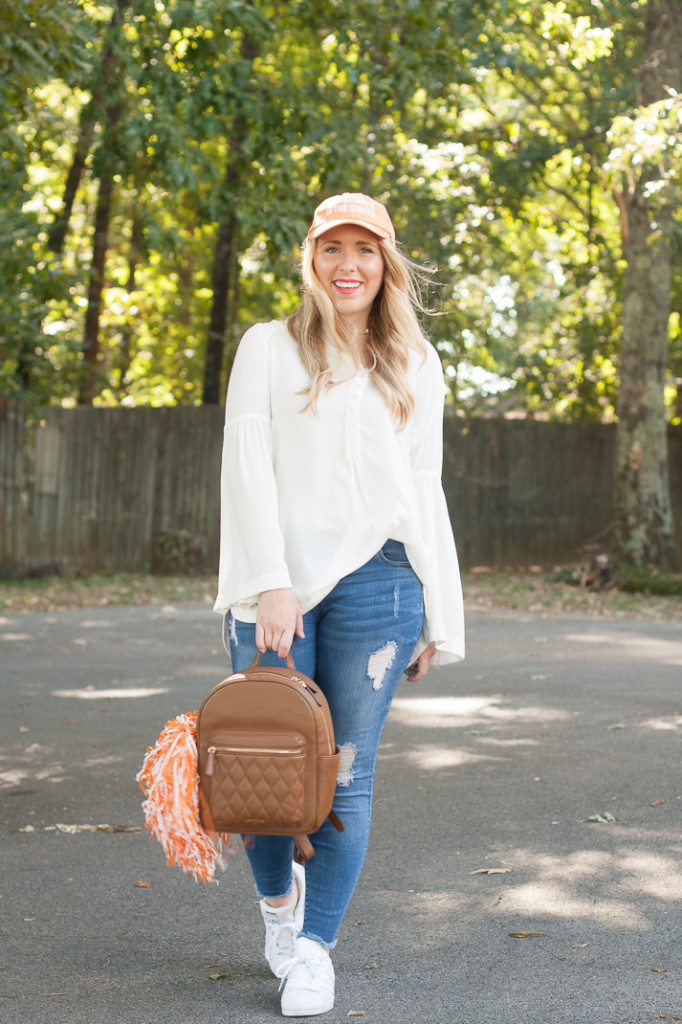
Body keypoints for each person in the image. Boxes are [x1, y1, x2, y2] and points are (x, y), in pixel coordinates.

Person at [213, 192, 464, 1017]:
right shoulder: (268, 348)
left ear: (387, 262)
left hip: (383, 581)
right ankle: (279, 914)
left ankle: (316, 951)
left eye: (366, 249)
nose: (348, 264)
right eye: (333, 248)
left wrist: (441, 611)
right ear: (311, 259)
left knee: (345, 775)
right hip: (276, 583)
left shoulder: (417, 364)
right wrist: (270, 580)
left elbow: (423, 490)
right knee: (270, 770)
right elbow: (248, 468)